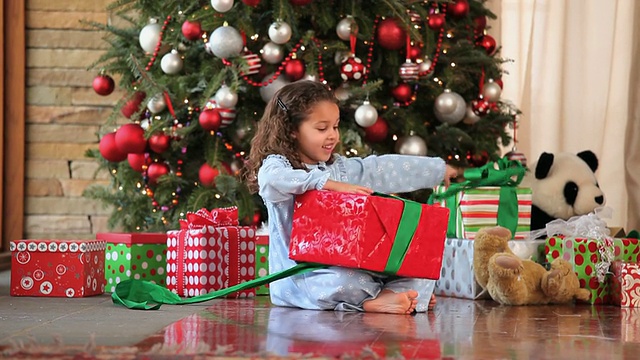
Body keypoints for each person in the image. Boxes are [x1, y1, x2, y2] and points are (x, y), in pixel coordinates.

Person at [245, 80, 458, 315]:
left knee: (420, 271)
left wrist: (437, 170)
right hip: (303, 277)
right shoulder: (278, 165)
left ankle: (392, 297)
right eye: (321, 128)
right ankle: (373, 302)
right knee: (344, 281)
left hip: (350, 266)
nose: (332, 136)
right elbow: (271, 179)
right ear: (292, 130)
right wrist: (326, 184)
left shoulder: (339, 168)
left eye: (335, 127)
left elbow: (381, 168)